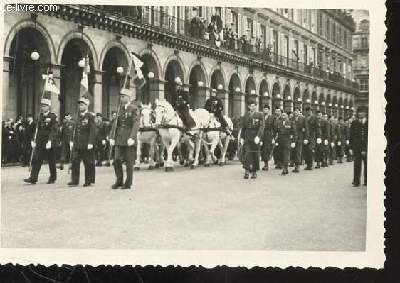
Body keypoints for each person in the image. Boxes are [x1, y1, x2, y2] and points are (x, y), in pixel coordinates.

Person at [109, 89, 140, 190]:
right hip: (119, 138)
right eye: (120, 96)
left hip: (129, 139)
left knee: (129, 162)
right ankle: (119, 180)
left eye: (123, 96)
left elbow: (135, 124)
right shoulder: (119, 109)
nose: (121, 98)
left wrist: (132, 137)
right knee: (116, 159)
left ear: (128, 97)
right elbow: (115, 124)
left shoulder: (134, 109)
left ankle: (128, 183)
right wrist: (112, 137)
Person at [23, 96, 58, 185]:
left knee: (51, 161)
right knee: (37, 159)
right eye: (42, 106)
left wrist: (50, 141)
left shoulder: (53, 116)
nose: (42, 107)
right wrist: (33, 140)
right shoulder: (40, 116)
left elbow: (54, 130)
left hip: (49, 142)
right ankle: (33, 178)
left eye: (44, 105)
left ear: (48, 106)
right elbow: (36, 130)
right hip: (40, 142)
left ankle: (53, 177)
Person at [68, 96, 96, 187]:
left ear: (87, 105)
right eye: (80, 105)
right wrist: (72, 140)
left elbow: (92, 130)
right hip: (77, 142)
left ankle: (88, 180)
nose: (80, 106)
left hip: (86, 143)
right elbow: (75, 129)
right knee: (75, 161)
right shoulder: (77, 116)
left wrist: (91, 142)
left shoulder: (90, 116)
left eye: (82, 104)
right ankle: (74, 180)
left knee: (88, 162)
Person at [239, 98, 265, 179]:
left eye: (255, 106)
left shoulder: (260, 114)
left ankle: (254, 172)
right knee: (247, 154)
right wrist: (242, 137)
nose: (253, 107)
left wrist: (258, 136)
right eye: (252, 106)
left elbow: (262, 126)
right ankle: (246, 171)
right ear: (249, 107)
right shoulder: (245, 115)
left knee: (255, 154)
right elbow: (243, 127)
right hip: (247, 137)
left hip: (255, 137)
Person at [349, 107, 368, 187]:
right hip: (356, 147)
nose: (360, 114)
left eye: (362, 112)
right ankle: (356, 181)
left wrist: (365, 149)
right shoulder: (354, 123)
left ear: (366, 113)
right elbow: (351, 136)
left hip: (366, 147)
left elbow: (367, 137)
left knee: (367, 164)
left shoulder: (369, 123)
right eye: (359, 112)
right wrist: (350, 147)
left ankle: (367, 181)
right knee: (357, 164)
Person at [291, 107, 306, 173]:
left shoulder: (303, 118)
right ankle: (294, 163)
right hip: (293, 138)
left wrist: (306, 138)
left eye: (297, 111)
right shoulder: (291, 118)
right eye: (295, 111)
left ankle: (297, 166)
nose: (296, 112)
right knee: (293, 151)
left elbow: (306, 128)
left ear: (299, 112)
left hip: (300, 137)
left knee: (298, 152)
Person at [261, 105, 275, 171]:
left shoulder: (272, 117)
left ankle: (266, 165)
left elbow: (274, 128)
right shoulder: (261, 117)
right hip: (261, 135)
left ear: (269, 110)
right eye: (264, 109)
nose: (265, 110)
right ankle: (264, 163)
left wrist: (273, 137)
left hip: (268, 135)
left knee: (266, 149)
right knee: (262, 149)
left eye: (266, 109)